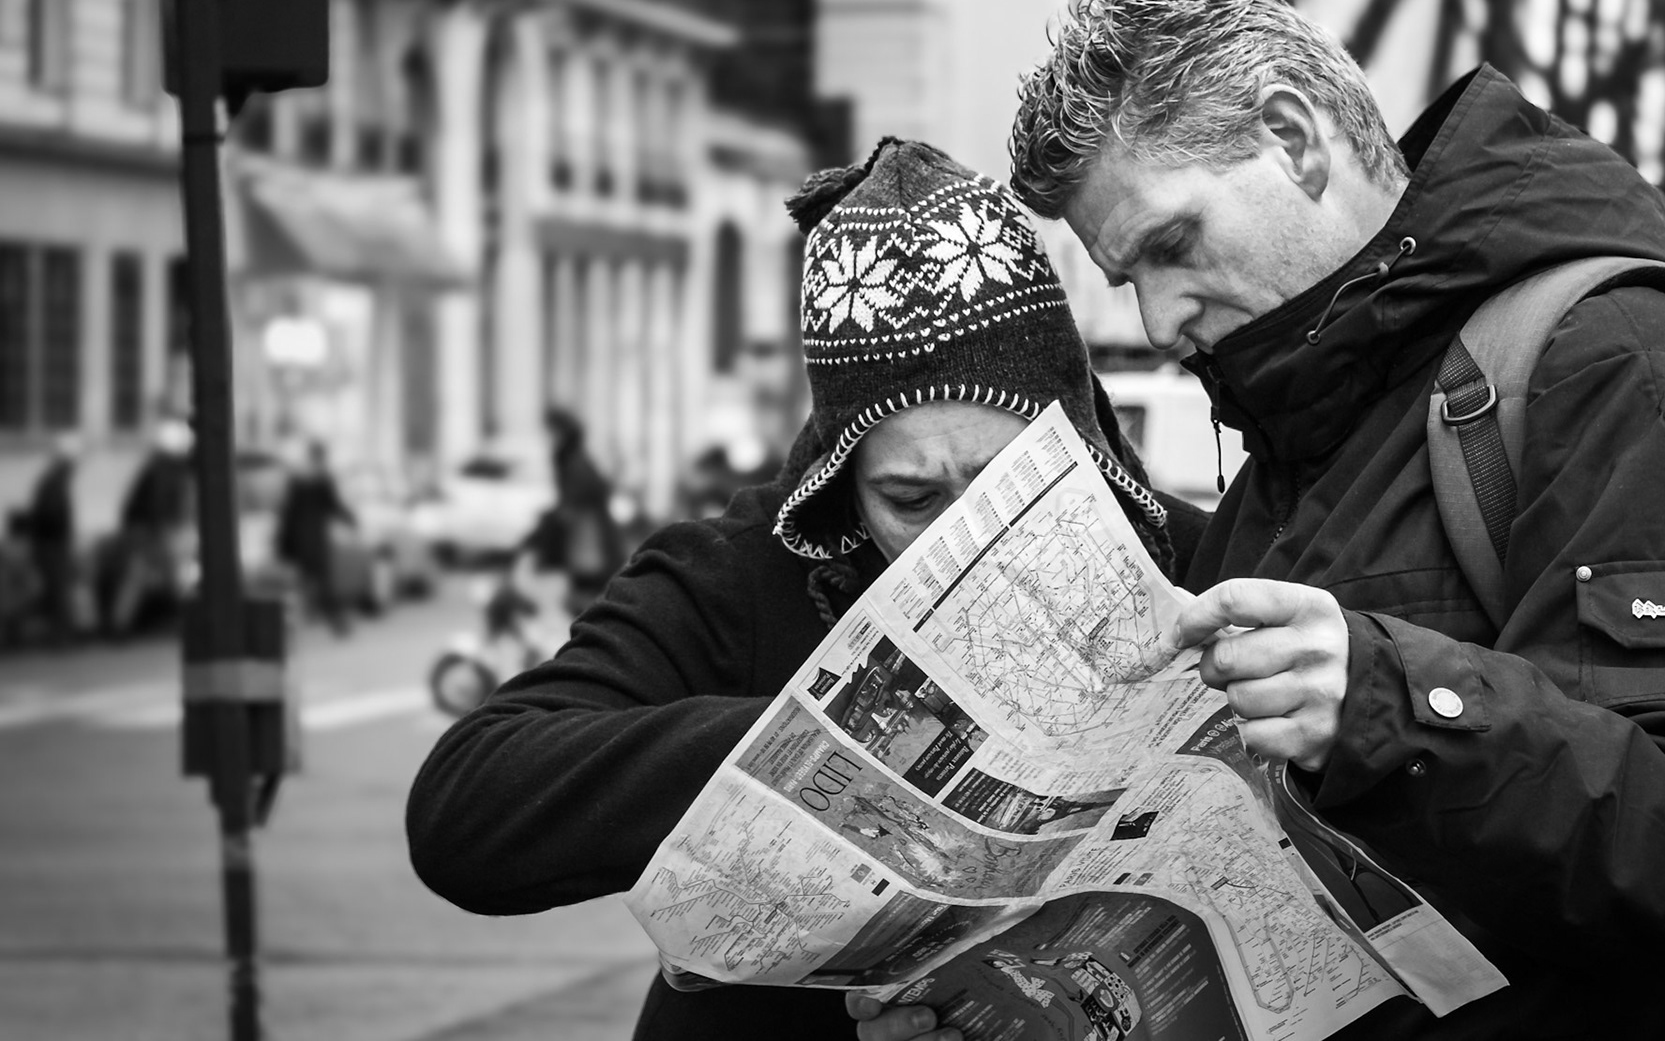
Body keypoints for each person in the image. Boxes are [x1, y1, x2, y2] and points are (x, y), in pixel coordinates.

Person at [853, 0, 1665, 1040]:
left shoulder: (1621, 362)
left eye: (1171, 247)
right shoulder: (1295, 429)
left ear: (1294, 137)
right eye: (1128, 278)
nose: (1162, 318)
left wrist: (1386, 699)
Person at [406, 138, 1210, 1040]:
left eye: (1006, 482)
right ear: (843, 479)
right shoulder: (737, 575)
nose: (964, 535)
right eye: (911, 498)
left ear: (1079, 449)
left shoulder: (1192, 561)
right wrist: (819, 750)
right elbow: (464, 814)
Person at [107, 417, 196, 637]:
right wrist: (163, 530)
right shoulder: (165, 469)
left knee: (141, 576)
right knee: (171, 575)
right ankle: (187, 620)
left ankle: (120, 624)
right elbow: (160, 503)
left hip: (145, 528)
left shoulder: (156, 467)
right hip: (153, 529)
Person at [538, 406, 624, 615]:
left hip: (588, 540)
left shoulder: (574, 462)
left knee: (588, 596)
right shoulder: (575, 459)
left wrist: (555, 519)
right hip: (586, 541)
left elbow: (571, 506)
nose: (549, 438)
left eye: (552, 432)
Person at [276, 439, 357, 636]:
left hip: (298, 538)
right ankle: (338, 624)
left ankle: (292, 625)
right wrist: (351, 518)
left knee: (302, 582)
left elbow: (287, 511)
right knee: (323, 582)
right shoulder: (322, 478)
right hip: (314, 539)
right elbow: (334, 504)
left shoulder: (298, 477)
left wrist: (282, 540)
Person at [11, 434, 79, 644]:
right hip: (51, 544)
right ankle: (60, 636)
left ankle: (56, 634)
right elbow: (51, 516)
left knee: (51, 590)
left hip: (49, 542)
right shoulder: (54, 483)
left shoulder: (52, 482)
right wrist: (62, 538)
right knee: (56, 590)